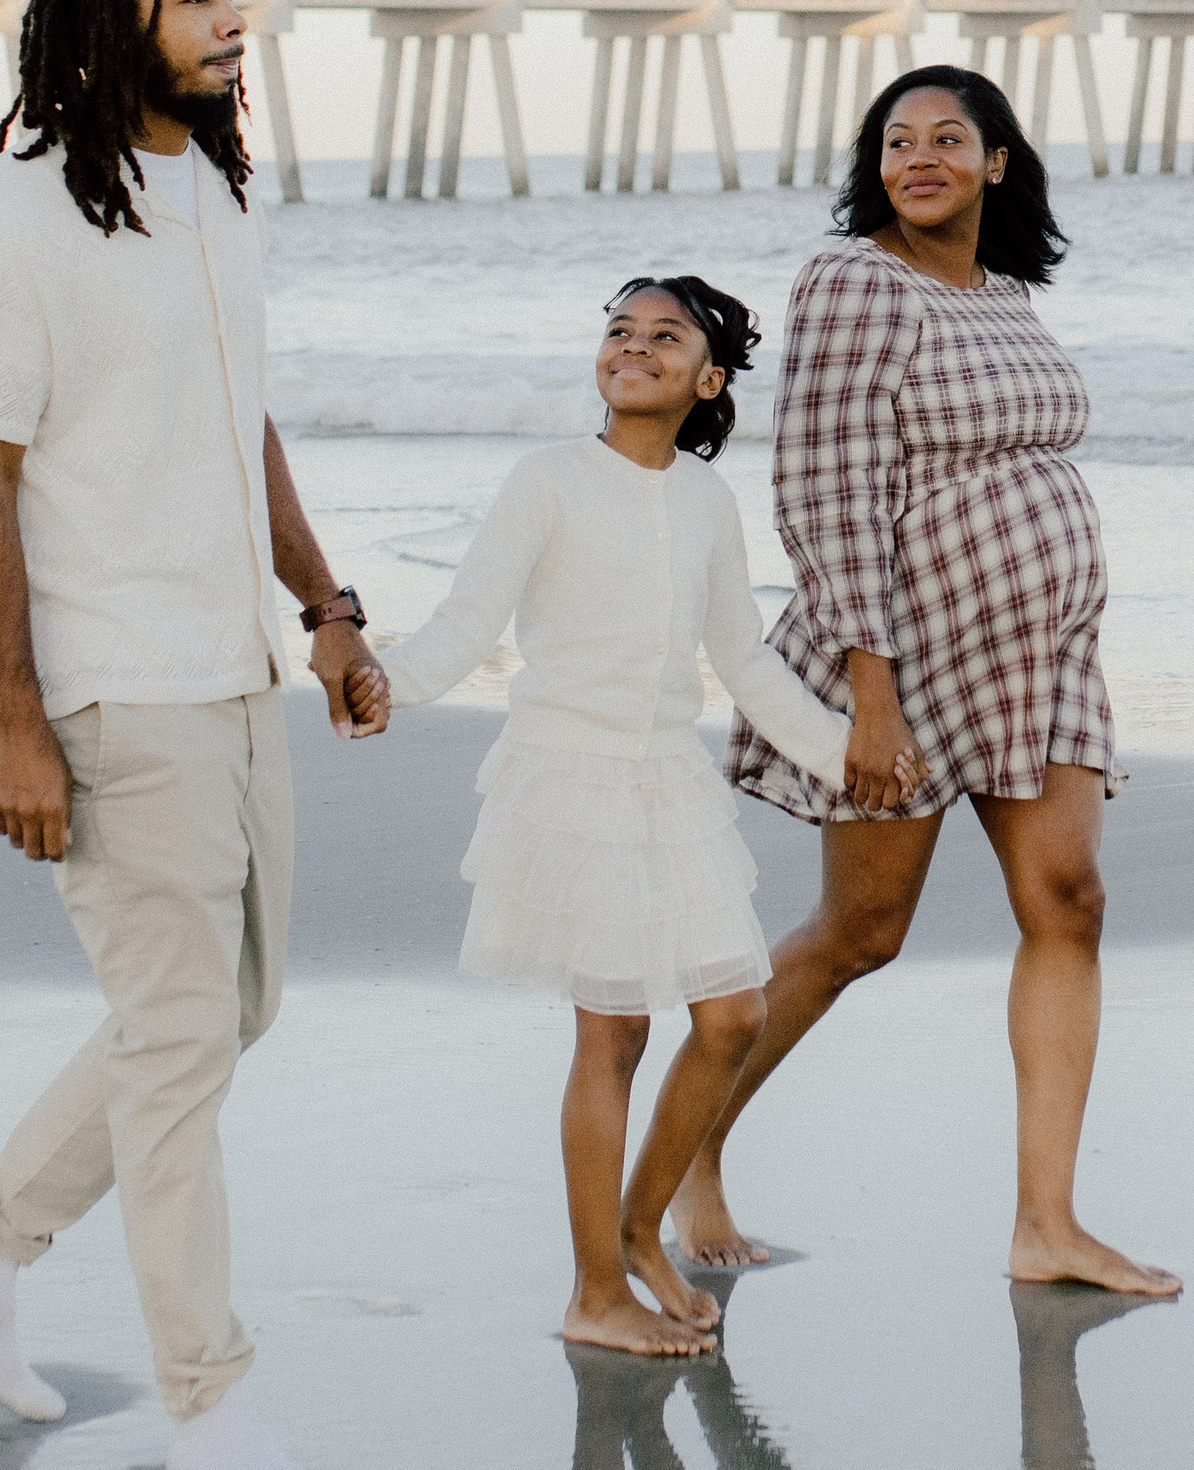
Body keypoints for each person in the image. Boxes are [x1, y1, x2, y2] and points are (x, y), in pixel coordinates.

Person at [0, 0, 390, 1470]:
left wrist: (325, 612)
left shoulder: (216, 197)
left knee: (224, 1017)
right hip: (112, 686)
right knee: (179, 1039)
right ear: (118, 17)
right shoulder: (19, 218)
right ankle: (209, 1404)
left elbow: (243, 427)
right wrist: (13, 719)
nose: (234, 18)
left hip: (236, 673)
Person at [676, 67, 1179, 1300]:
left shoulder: (1009, 297)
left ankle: (1046, 1225)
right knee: (861, 933)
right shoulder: (855, 282)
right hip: (911, 651)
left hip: (1044, 655)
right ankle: (684, 1152)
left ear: (997, 161)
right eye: (896, 141)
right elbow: (824, 490)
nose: (919, 157)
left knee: (1069, 902)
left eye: (948, 138)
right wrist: (872, 691)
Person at [378, 277, 894, 1358]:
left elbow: (742, 657)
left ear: (708, 380)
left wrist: (841, 754)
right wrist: (387, 682)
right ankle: (593, 1289)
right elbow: (470, 617)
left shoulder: (707, 499)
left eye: (665, 337)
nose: (634, 346)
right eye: (618, 330)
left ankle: (638, 1229)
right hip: (568, 776)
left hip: (667, 779)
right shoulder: (548, 480)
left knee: (732, 1016)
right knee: (611, 1036)